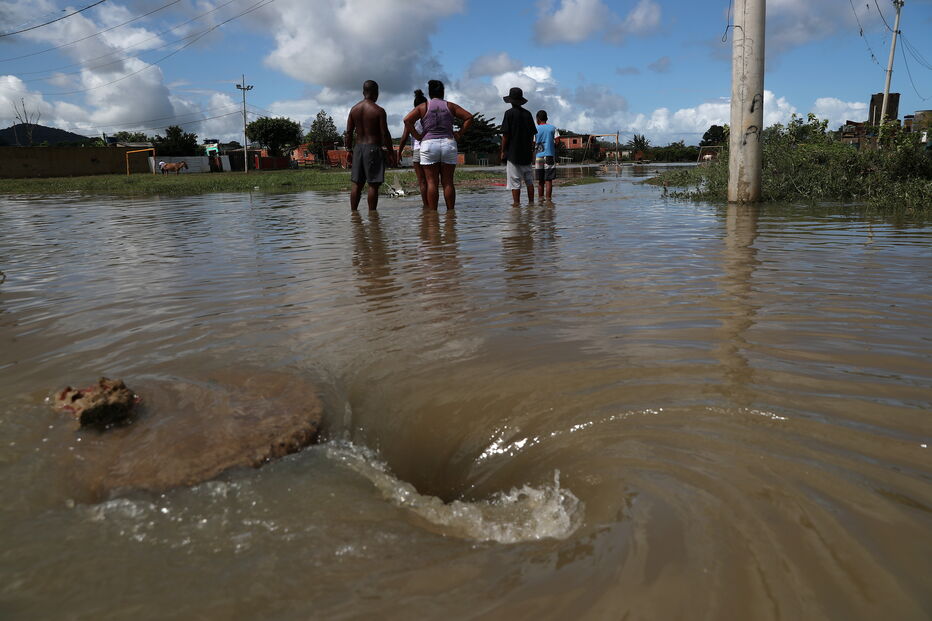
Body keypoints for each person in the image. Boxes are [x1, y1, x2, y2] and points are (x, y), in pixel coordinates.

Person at [403, 79, 473, 210]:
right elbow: (469, 117)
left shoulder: (423, 107)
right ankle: (450, 216)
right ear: (443, 92)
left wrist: (418, 136)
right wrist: (459, 133)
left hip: (428, 145)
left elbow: (407, 120)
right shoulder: (450, 106)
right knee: (448, 182)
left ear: (429, 93)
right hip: (448, 143)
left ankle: (433, 215)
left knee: (431, 182)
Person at [346, 80, 396, 211]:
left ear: (363, 92)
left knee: (357, 184)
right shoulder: (378, 111)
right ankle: (373, 216)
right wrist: (391, 152)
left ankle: (354, 215)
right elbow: (385, 134)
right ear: (376, 93)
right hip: (373, 148)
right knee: (373, 185)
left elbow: (349, 133)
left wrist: (349, 150)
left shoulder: (353, 110)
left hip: (358, 149)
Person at [499, 87, 536, 206]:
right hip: (526, 154)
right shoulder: (528, 114)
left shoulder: (508, 114)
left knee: (515, 183)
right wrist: (531, 151)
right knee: (529, 182)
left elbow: (505, 135)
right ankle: (531, 204)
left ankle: (516, 206)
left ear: (510, 101)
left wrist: (503, 151)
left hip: (513, 154)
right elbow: (531, 135)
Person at [397, 89, 429, 208]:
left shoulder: (412, 118)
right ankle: (432, 207)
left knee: (422, 181)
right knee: (432, 180)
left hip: (418, 151)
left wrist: (399, 152)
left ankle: (426, 206)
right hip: (431, 149)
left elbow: (404, 137)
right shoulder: (430, 115)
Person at [534, 109, 559, 202]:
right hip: (549, 156)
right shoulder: (553, 128)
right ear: (546, 118)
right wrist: (552, 146)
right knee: (548, 180)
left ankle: (540, 201)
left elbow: (533, 143)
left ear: (537, 119)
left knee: (540, 181)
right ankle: (549, 201)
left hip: (539, 156)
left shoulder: (535, 129)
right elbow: (557, 141)